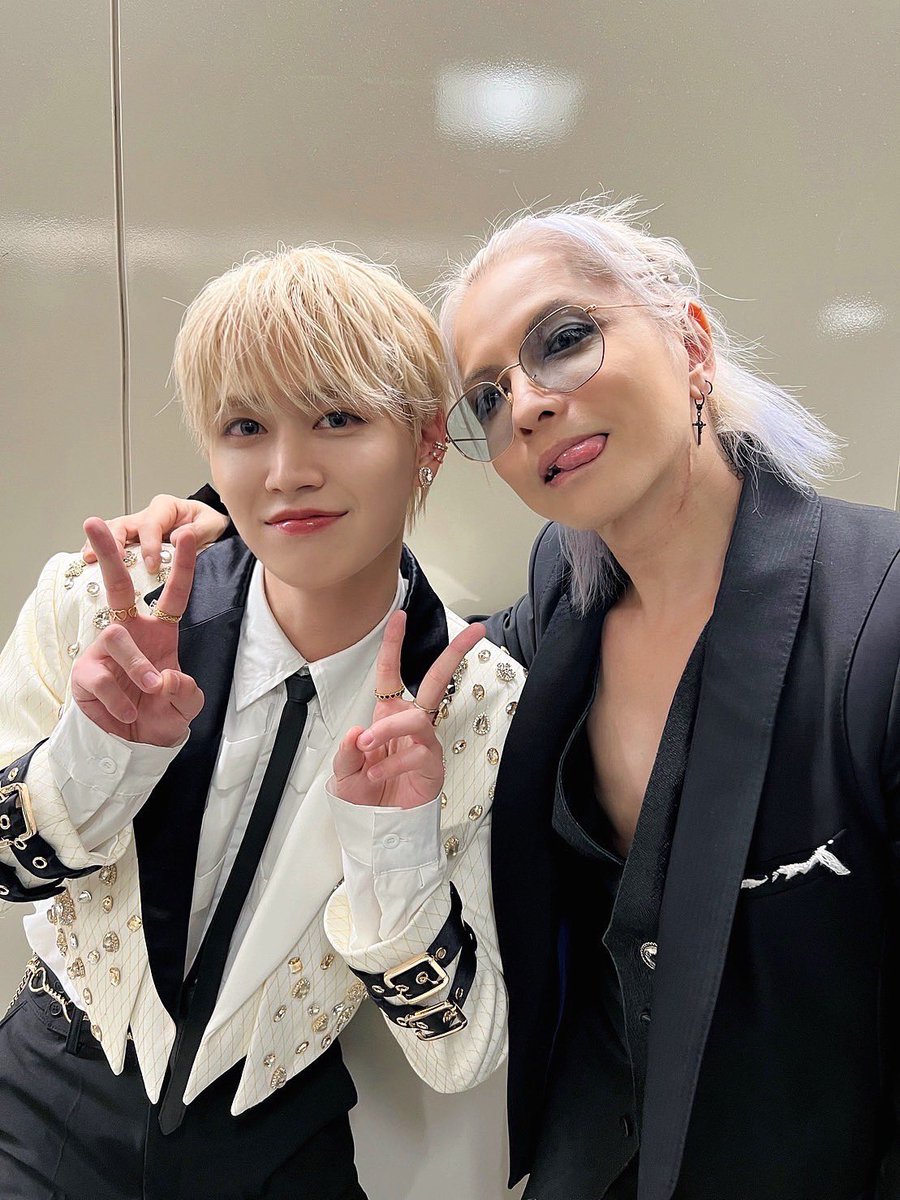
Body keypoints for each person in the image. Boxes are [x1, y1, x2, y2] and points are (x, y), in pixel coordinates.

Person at [84, 198, 900, 1200]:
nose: (528, 406)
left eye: (564, 340)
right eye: (487, 396)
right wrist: (224, 520)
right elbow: (389, 618)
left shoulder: (879, 612)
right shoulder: (558, 606)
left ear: (691, 343)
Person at [0, 246, 519, 1200]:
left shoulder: (479, 699)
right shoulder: (98, 607)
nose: (288, 471)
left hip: (275, 1141)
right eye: (245, 426)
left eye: (338, 418)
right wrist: (93, 758)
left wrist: (394, 851)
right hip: (45, 1105)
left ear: (427, 441)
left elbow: (463, 1053)